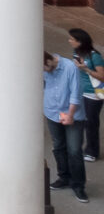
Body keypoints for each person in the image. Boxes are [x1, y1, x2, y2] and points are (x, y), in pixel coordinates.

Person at [43, 51, 88, 203]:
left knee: (74, 150)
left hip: (72, 115)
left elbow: (76, 93)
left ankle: (78, 185)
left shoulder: (70, 68)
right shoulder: (44, 68)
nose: (44, 73)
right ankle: (64, 177)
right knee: (58, 147)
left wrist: (70, 114)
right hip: (52, 112)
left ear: (49, 61)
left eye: (45, 69)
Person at [74, 29, 104, 164]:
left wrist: (86, 69)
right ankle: (81, 148)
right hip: (81, 92)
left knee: (91, 123)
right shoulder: (76, 53)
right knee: (81, 121)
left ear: (80, 41)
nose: (69, 41)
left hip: (93, 94)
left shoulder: (94, 56)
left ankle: (92, 151)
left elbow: (101, 76)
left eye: (72, 39)